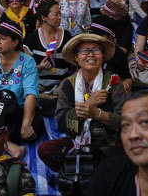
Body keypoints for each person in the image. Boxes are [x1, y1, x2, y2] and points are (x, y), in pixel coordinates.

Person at [37, 33, 126, 174]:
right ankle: (75, 174)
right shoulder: (69, 84)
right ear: (76, 58)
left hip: (106, 144)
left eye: (96, 50)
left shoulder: (113, 82)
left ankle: (88, 174)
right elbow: (61, 123)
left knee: (123, 160)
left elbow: (123, 121)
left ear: (102, 56)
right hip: (76, 143)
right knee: (46, 150)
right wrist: (88, 104)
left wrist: (97, 113)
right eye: (84, 51)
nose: (90, 55)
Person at [0, 21, 44, 159]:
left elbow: (30, 93)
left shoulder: (27, 62)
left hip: (18, 110)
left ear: (15, 42)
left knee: (34, 129)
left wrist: (26, 123)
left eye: (3, 38)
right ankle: (10, 146)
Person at [24, 0, 73, 98]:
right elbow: (25, 68)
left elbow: (73, 64)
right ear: (43, 17)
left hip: (61, 83)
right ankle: (48, 97)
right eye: (56, 14)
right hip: (39, 83)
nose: (59, 18)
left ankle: (49, 96)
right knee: (26, 91)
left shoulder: (66, 36)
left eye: (60, 14)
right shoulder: (33, 38)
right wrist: (39, 67)